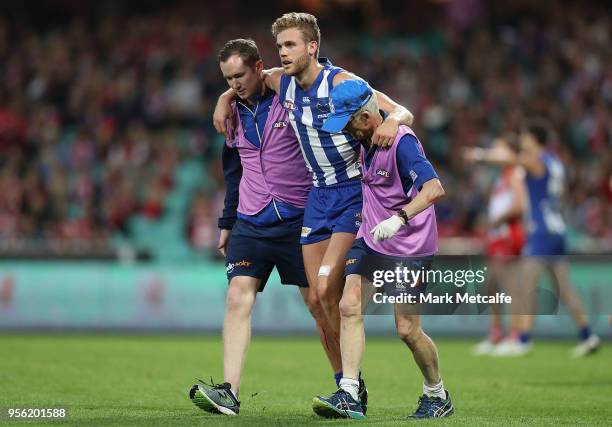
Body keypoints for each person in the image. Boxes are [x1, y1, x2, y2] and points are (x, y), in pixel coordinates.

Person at [212, 13, 415, 403]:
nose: (283, 53)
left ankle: (351, 386)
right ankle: (346, 384)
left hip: (352, 192)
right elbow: (248, 79)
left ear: (312, 47)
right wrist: (224, 99)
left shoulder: (343, 85)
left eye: (290, 45)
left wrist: (396, 122)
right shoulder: (282, 83)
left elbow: (398, 108)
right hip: (317, 200)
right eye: (280, 46)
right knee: (318, 301)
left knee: (325, 289)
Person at [189, 39, 340, 416]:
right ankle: (229, 393)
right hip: (251, 223)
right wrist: (227, 223)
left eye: (240, 75)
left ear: (259, 68)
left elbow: (319, 75)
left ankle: (347, 385)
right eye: (228, 79)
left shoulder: (291, 97)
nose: (235, 84)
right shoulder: (232, 116)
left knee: (318, 304)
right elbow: (233, 172)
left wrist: (225, 96)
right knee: (238, 298)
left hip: (300, 221)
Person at [311, 79, 453, 419]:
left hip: (409, 245)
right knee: (349, 305)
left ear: (364, 118)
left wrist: (399, 219)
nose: (343, 130)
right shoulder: (368, 136)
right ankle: (348, 393)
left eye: (347, 122)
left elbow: (434, 189)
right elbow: (389, 105)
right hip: (372, 239)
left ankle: (437, 394)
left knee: (406, 329)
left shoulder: (401, 144)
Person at [465, 120, 601, 357]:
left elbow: (512, 161)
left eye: (526, 136)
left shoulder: (535, 160)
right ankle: (588, 336)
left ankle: (522, 339)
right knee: (565, 288)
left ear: (534, 140)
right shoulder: (555, 163)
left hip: (542, 231)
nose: (523, 141)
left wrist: (480, 156)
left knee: (525, 286)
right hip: (557, 228)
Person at [466, 135, 527, 355]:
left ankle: (516, 337)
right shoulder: (502, 177)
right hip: (496, 236)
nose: (495, 153)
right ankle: (496, 334)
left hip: (508, 235)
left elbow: (520, 205)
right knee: (491, 287)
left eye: (499, 148)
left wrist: (498, 220)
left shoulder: (515, 173)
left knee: (509, 287)